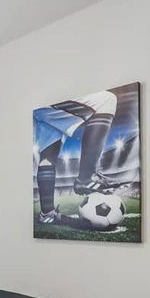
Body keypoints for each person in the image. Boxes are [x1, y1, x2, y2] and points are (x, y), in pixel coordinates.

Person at [33, 90, 122, 223]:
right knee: (108, 99)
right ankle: (86, 178)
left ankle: (47, 214)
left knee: (47, 157)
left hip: (39, 111)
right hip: (43, 104)